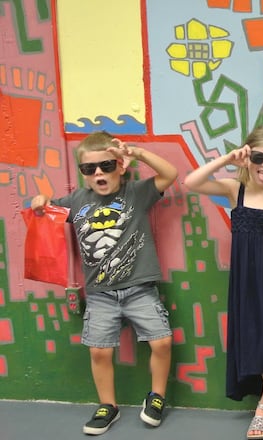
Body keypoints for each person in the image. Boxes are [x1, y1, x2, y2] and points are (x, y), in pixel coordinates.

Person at [30, 131, 178, 435]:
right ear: (83, 174)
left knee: (161, 341)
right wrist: (41, 201)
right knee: (98, 350)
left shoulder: (137, 193)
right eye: (89, 168)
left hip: (139, 288)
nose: (98, 172)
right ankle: (107, 405)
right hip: (100, 294)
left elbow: (170, 174)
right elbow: (47, 210)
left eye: (106, 165)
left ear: (120, 166)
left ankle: (157, 396)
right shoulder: (76, 200)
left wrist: (137, 153)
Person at [183, 125, 263, 440]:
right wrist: (228, 158)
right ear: (247, 156)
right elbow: (191, 182)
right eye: (259, 157)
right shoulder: (233, 189)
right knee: (258, 344)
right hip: (245, 283)